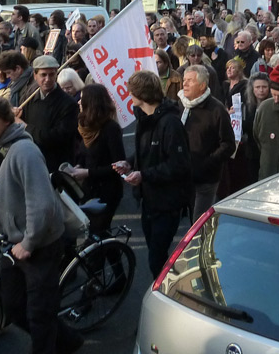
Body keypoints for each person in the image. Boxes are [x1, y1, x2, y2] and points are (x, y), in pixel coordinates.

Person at [0, 96, 83, 354]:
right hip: (10, 243)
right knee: (14, 307)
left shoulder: (24, 152)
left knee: (40, 313)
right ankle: (68, 340)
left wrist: (29, 242)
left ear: (6, 120)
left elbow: (42, 204)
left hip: (41, 244)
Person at [113, 71, 191, 276]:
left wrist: (143, 175)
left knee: (156, 258)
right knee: (155, 254)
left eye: (131, 92)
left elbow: (178, 165)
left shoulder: (170, 123)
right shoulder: (144, 118)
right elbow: (145, 152)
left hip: (167, 202)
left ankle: (167, 295)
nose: (128, 95)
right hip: (149, 199)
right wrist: (129, 163)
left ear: (141, 94)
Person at [64, 85, 125, 236]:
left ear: (91, 103)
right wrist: (79, 166)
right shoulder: (85, 126)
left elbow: (118, 166)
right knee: (98, 233)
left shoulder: (111, 129)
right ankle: (115, 257)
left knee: (97, 232)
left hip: (107, 190)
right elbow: (86, 155)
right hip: (89, 189)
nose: (78, 102)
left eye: (82, 99)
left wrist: (88, 172)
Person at [178, 65, 235, 221]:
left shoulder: (216, 110)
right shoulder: (182, 105)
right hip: (184, 176)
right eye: (184, 80)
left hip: (206, 179)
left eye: (190, 81)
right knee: (190, 219)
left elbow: (228, 145)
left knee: (199, 224)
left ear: (202, 85)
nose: (185, 84)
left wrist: (207, 163)